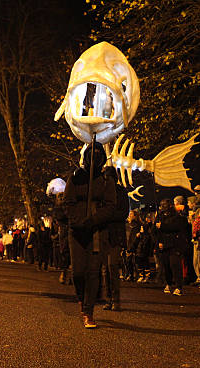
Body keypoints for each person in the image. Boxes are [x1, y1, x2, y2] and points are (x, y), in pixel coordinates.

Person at [63, 141, 116, 329]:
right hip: (77, 232)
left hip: (96, 232)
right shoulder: (75, 178)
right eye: (91, 154)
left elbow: (110, 206)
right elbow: (68, 202)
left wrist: (93, 220)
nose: (95, 158)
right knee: (78, 272)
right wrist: (78, 221)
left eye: (98, 155)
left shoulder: (106, 181)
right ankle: (81, 297)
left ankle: (88, 311)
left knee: (93, 273)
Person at [102, 166, 129, 312]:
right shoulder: (102, 192)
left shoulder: (121, 192)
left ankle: (116, 300)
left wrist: (107, 215)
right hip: (104, 234)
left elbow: (123, 213)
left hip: (116, 234)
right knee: (105, 269)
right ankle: (108, 299)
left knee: (112, 266)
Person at [155, 198, 189, 296]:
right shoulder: (160, 216)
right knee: (166, 266)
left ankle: (179, 286)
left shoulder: (178, 217)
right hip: (164, 245)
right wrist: (159, 242)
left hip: (175, 245)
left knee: (175, 265)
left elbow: (176, 227)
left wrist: (162, 226)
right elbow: (155, 231)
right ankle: (168, 283)